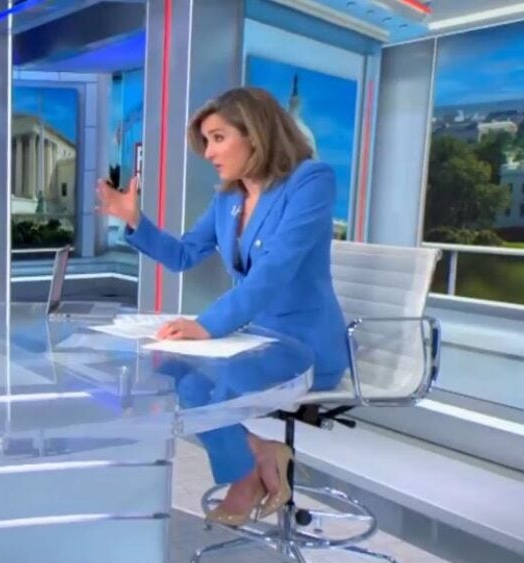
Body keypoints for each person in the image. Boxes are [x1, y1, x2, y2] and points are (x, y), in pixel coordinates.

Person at [96, 86, 348, 526]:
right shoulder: (228, 199)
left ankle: (245, 479)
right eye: (206, 141)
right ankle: (260, 455)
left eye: (218, 138)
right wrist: (134, 220)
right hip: (252, 337)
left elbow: (275, 269)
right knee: (171, 376)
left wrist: (208, 326)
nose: (209, 152)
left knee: (208, 389)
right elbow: (183, 254)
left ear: (255, 134)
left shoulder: (311, 181)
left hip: (304, 344)